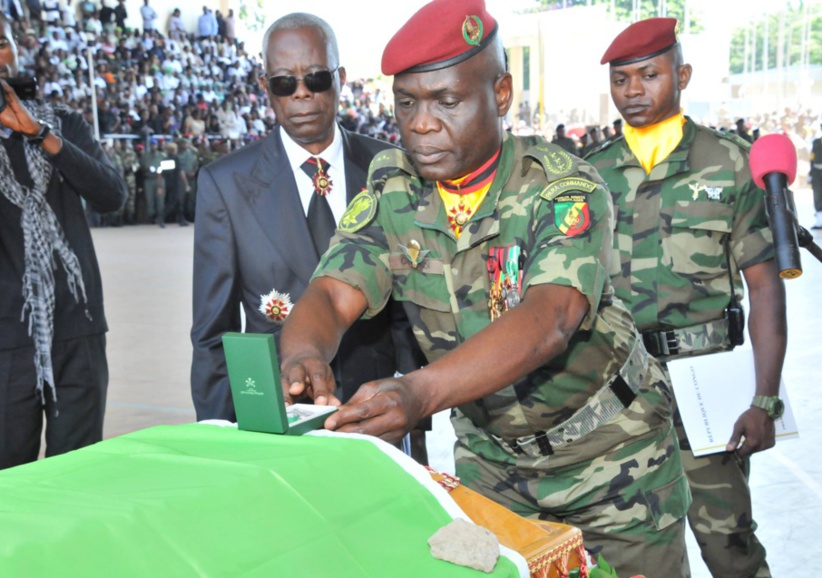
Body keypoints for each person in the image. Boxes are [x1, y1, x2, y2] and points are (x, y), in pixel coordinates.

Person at [277, 1, 690, 573]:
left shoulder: (562, 190)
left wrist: (418, 393)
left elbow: (550, 319)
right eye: (406, 103)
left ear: (499, 94)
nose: (421, 122)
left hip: (612, 468)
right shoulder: (393, 187)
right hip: (492, 469)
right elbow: (332, 290)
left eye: (447, 101)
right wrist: (304, 353)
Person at [585, 18, 787, 578]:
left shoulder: (730, 164)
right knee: (629, 550)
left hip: (708, 390)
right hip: (619, 393)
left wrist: (764, 401)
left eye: (648, 75)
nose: (633, 91)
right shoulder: (590, 173)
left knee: (730, 548)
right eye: (621, 79)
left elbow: (766, 289)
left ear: (682, 75)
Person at [191, 13, 425, 429]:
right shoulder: (226, 185)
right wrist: (222, 431)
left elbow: (411, 308)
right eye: (284, 83)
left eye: (316, 79)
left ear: (340, 78)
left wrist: (414, 408)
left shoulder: (389, 169)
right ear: (265, 87)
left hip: (378, 407)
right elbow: (214, 334)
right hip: (283, 413)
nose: (302, 95)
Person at [0, 1, 127, 470]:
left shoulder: (62, 120)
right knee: (7, 481)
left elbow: (112, 195)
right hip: (2, 338)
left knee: (77, 475)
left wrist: (38, 132)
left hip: (79, 328)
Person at [811, 124, 822, 229]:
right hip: (817, 172)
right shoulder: (816, 142)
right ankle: (819, 222)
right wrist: (811, 174)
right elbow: (812, 158)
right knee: (818, 196)